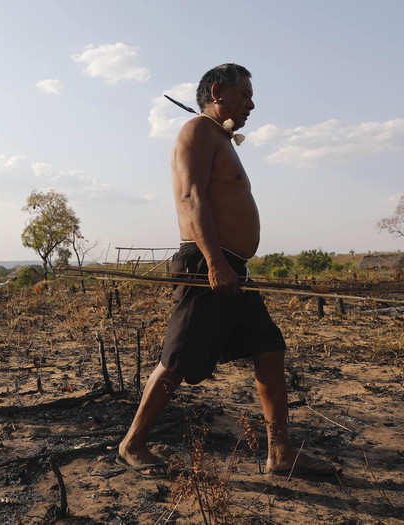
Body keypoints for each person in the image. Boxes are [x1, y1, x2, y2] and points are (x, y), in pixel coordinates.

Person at [118, 64, 335, 477]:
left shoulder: (219, 137)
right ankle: (132, 444)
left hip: (232, 267)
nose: (252, 104)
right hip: (208, 263)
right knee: (178, 359)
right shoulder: (197, 132)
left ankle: (279, 454)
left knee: (269, 350)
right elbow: (191, 198)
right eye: (245, 94)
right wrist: (216, 263)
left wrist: (229, 264)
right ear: (218, 91)